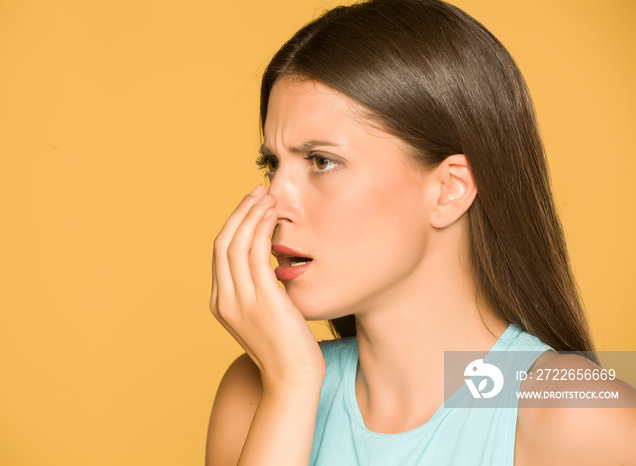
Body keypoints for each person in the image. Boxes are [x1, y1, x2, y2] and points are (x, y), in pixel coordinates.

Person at [205, 0, 636, 464]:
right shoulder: (255, 391)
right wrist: (290, 384)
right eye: (272, 164)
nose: (274, 203)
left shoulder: (577, 412)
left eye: (321, 162)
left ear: (450, 189)